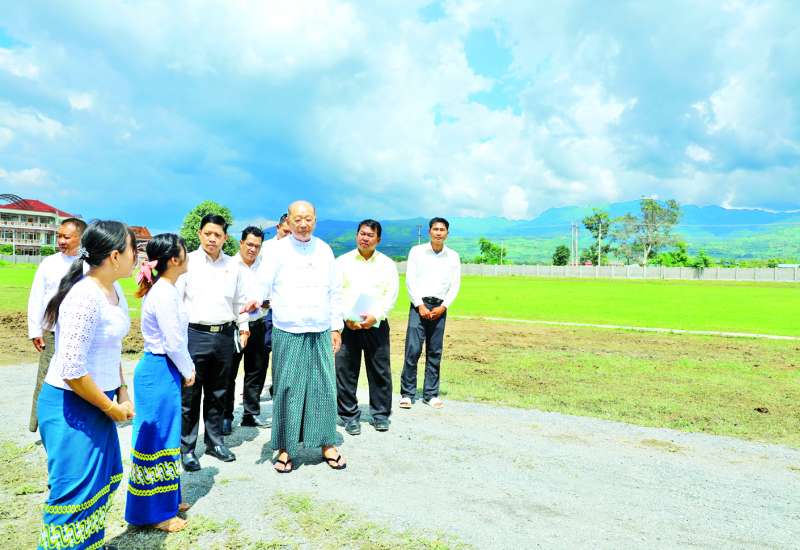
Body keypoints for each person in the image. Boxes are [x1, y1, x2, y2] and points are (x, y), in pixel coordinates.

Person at [37, 220, 136, 550]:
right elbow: (72, 370)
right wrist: (110, 408)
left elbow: (110, 348)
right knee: (72, 496)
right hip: (72, 405)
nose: (137, 258)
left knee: (100, 484)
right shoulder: (84, 296)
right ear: (114, 256)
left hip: (98, 400)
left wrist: (121, 390)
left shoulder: (114, 291)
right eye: (133, 250)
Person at [259, 200, 345, 473]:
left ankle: (327, 443)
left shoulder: (325, 250)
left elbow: (335, 291)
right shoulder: (275, 250)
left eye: (308, 219)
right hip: (288, 327)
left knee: (324, 387)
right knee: (288, 388)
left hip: (320, 327)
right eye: (298, 219)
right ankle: (286, 447)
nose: (303, 224)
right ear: (288, 221)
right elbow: (262, 284)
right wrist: (253, 302)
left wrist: (336, 327)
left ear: (315, 220)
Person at [126, 233, 195, 533]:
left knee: (167, 435)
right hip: (160, 368)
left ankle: (168, 499)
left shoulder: (167, 288)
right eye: (185, 251)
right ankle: (155, 512)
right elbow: (173, 341)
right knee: (156, 440)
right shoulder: (164, 293)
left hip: (162, 368)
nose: (188, 255)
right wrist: (188, 369)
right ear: (175, 260)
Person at [176, 213, 257, 471]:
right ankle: (187, 448)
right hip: (194, 335)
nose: (212, 239)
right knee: (190, 395)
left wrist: (243, 328)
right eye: (208, 233)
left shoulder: (233, 266)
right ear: (199, 234)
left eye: (218, 235)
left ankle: (214, 442)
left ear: (225, 238)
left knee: (218, 392)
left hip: (224, 335)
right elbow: (176, 301)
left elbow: (239, 301)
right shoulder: (187, 262)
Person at [335, 219, 399, 434]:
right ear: (356, 235)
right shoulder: (342, 262)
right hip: (348, 325)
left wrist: (376, 316)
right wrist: (346, 317)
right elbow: (335, 293)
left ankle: (380, 415)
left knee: (380, 370)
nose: (365, 238)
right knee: (345, 371)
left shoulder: (387, 264)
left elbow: (391, 295)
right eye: (362, 234)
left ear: (378, 239)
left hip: (376, 325)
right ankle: (349, 416)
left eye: (370, 235)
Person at [26, 217, 87, 432]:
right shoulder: (49, 263)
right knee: (45, 376)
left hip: (80, 332)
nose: (61, 241)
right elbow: (36, 297)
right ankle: (39, 424)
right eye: (59, 236)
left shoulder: (90, 265)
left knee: (78, 378)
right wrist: (35, 330)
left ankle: (75, 424)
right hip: (51, 332)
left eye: (66, 237)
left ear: (81, 238)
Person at [399, 217, 461, 410]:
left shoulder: (453, 256)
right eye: (435, 229)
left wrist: (444, 306)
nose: (438, 232)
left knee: (435, 351)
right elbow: (410, 280)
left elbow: (455, 284)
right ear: (429, 232)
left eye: (442, 230)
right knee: (413, 350)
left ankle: (431, 394)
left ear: (447, 233)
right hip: (419, 306)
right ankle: (407, 394)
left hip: (440, 307)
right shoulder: (417, 252)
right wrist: (419, 305)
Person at [223, 226, 269, 434]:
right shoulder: (229, 265)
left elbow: (271, 295)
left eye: (257, 246)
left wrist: (263, 302)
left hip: (258, 324)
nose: (253, 249)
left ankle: (251, 413)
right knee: (228, 373)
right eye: (249, 244)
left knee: (256, 370)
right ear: (241, 243)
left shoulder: (265, 267)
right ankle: (226, 416)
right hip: (233, 327)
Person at [256, 213, 292, 400]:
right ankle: (255, 390)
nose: (288, 235)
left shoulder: (296, 250)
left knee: (283, 353)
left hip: (287, 309)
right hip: (266, 308)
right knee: (262, 352)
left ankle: (278, 388)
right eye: (286, 231)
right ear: (278, 228)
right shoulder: (266, 249)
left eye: (291, 232)